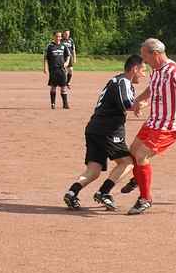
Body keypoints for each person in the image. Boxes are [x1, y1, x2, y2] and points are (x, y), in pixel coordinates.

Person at [63, 55, 147, 211]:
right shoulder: (123, 81)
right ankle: (104, 192)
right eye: (143, 70)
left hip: (94, 128)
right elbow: (127, 104)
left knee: (94, 169)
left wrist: (135, 106)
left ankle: (72, 192)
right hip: (108, 129)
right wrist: (144, 103)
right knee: (127, 162)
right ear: (134, 69)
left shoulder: (116, 80)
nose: (144, 75)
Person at [126, 38, 176, 215]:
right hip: (154, 121)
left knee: (141, 155)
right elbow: (152, 90)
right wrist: (138, 100)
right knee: (132, 152)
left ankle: (145, 199)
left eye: (145, 56)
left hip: (170, 125)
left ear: (156, 54)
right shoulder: (156, 71)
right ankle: (139, 177)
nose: (143, 60)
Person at [43, 31, 71, 109]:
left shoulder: (63, 46)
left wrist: (66, 63)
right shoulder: (50, 46)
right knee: (53, 87)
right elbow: (45, 58)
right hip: (53, 69)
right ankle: (53, 104)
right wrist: (45, 68)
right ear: (53, 37)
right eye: (57, 36)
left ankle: (65, 104)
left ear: (61, 37)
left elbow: (68, 55)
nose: (58, 38)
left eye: (59, 36)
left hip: (62, 69)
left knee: (63, 87)